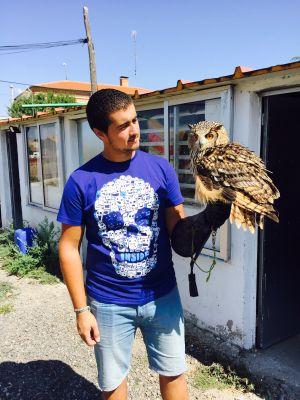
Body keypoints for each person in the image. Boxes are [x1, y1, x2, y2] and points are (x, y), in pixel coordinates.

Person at [57, 89, 229, 400]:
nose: (135, 130)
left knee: (174, 372)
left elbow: (179, 235)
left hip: (162, 294)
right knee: (112, 384)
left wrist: (210, 216)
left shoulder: (160, 168)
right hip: (108, 301)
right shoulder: (81, 181)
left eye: (135, 120)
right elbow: (69, 247)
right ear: (100, 133)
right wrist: (81, 310)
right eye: (122, 126)